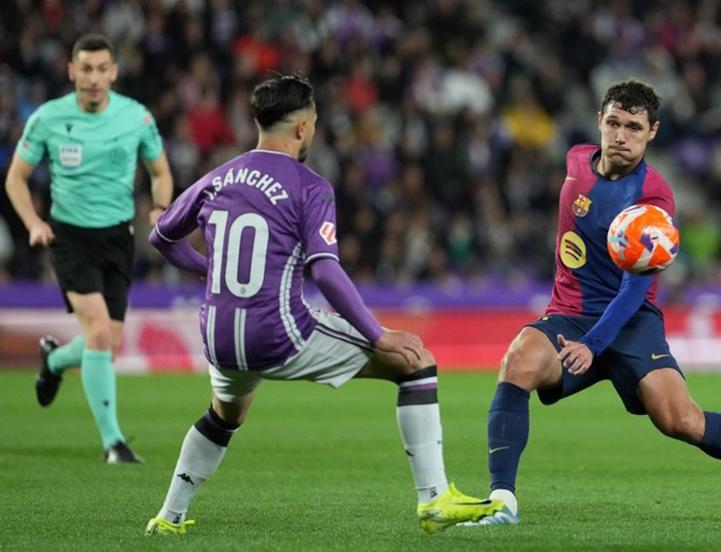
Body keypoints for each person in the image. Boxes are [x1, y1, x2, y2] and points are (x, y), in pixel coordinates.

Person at [143, 74, 503, 535]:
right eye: (313, 123)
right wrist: (380, 335)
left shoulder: (220, 175)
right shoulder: (309, 186)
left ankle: (169, 518)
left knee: (225, 413)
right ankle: (433, 499)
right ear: (301, 128)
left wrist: (208, 270)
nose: (313, 132)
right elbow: (326, 271)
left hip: (217, 333)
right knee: (415, 362)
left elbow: (162, 237)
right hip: (276, 331)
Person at [464, 79, 721, 526]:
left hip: (631, 321)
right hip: (569, 315)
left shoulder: (652, 197)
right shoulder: (576, 159)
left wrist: (594, 344)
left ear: (652, 131)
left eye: (633, 127)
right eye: (613, 123)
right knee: (517, 362)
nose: (620, 136)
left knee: (680, 420)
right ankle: (503, 502)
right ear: (599, 121)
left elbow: (635, 288)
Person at [5, 34, 173, 464]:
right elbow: (15, 178)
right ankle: (113, 442)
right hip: (70, 237)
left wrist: (158, 207)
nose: (94, 78)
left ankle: (55, 360)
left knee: (108, 341)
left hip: (117, 238)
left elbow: (160, 171)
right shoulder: (48, 119)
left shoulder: (136, 118)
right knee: (98, 332)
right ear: (71, 71)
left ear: (114, 72)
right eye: (86, 69)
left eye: (102, 69)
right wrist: (33, 223)